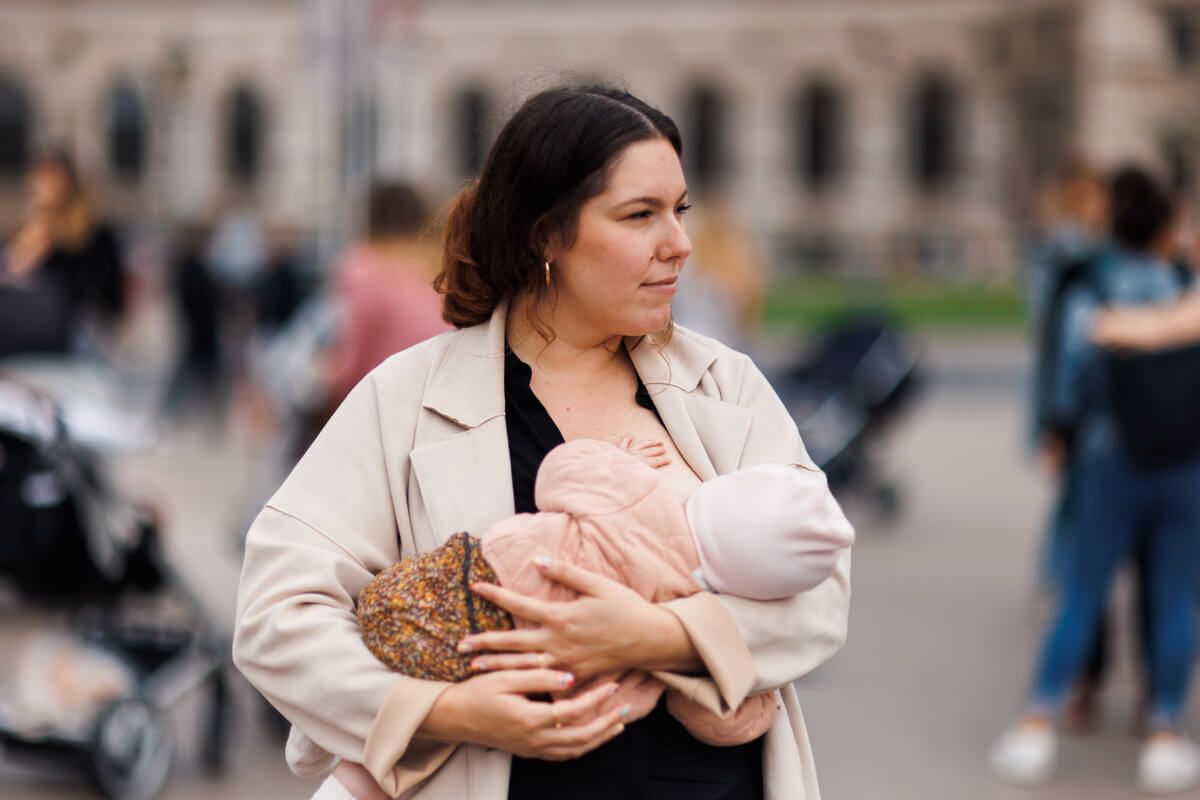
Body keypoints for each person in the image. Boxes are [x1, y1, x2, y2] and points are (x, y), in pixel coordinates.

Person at [233, 84, 851, 800]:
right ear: (544, 235)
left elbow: (822, 587)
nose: (680, 243)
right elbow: (277, 615)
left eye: (679, 210)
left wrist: (659, 636)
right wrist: (446, 711)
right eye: (640, 215)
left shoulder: (725, 385)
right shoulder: (404, 397)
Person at [990, 167, 1200, 794]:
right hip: (1183, 464)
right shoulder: (1182, 287)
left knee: (1081, 593)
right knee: (1174, 601)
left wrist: (1058, 432)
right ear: (1165, 229)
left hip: (1111, 460)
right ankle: (1163, 730)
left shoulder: (1093, 289)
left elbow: (1071, 378)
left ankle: (1038, 721)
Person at [327, 181, 450, 405]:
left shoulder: (365, 267)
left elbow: (352, 364)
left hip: (382, 403)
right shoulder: (443, 266)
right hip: (439, 400)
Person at [0, 150, 126, 359]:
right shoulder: (20, 234)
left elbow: (107, 300)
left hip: (70, 349)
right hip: (17, 348)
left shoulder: (89, 239)